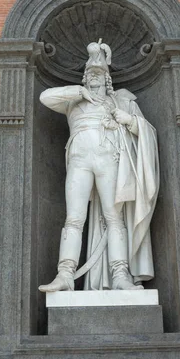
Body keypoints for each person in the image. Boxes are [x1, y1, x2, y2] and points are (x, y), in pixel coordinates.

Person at [38, 40, 159, 292]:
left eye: (99, 74)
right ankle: (65, 275)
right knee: (73, 219)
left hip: (108, 161)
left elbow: (146, 133)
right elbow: (44, 96)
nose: (94, 78)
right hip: (79, 163)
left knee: (114, 218)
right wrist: (78, 92)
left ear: (107, 79)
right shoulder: (74, 102)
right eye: (90, 74)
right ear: (84, 79)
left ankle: (120, 276)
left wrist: (129, 121)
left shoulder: (121, 102)